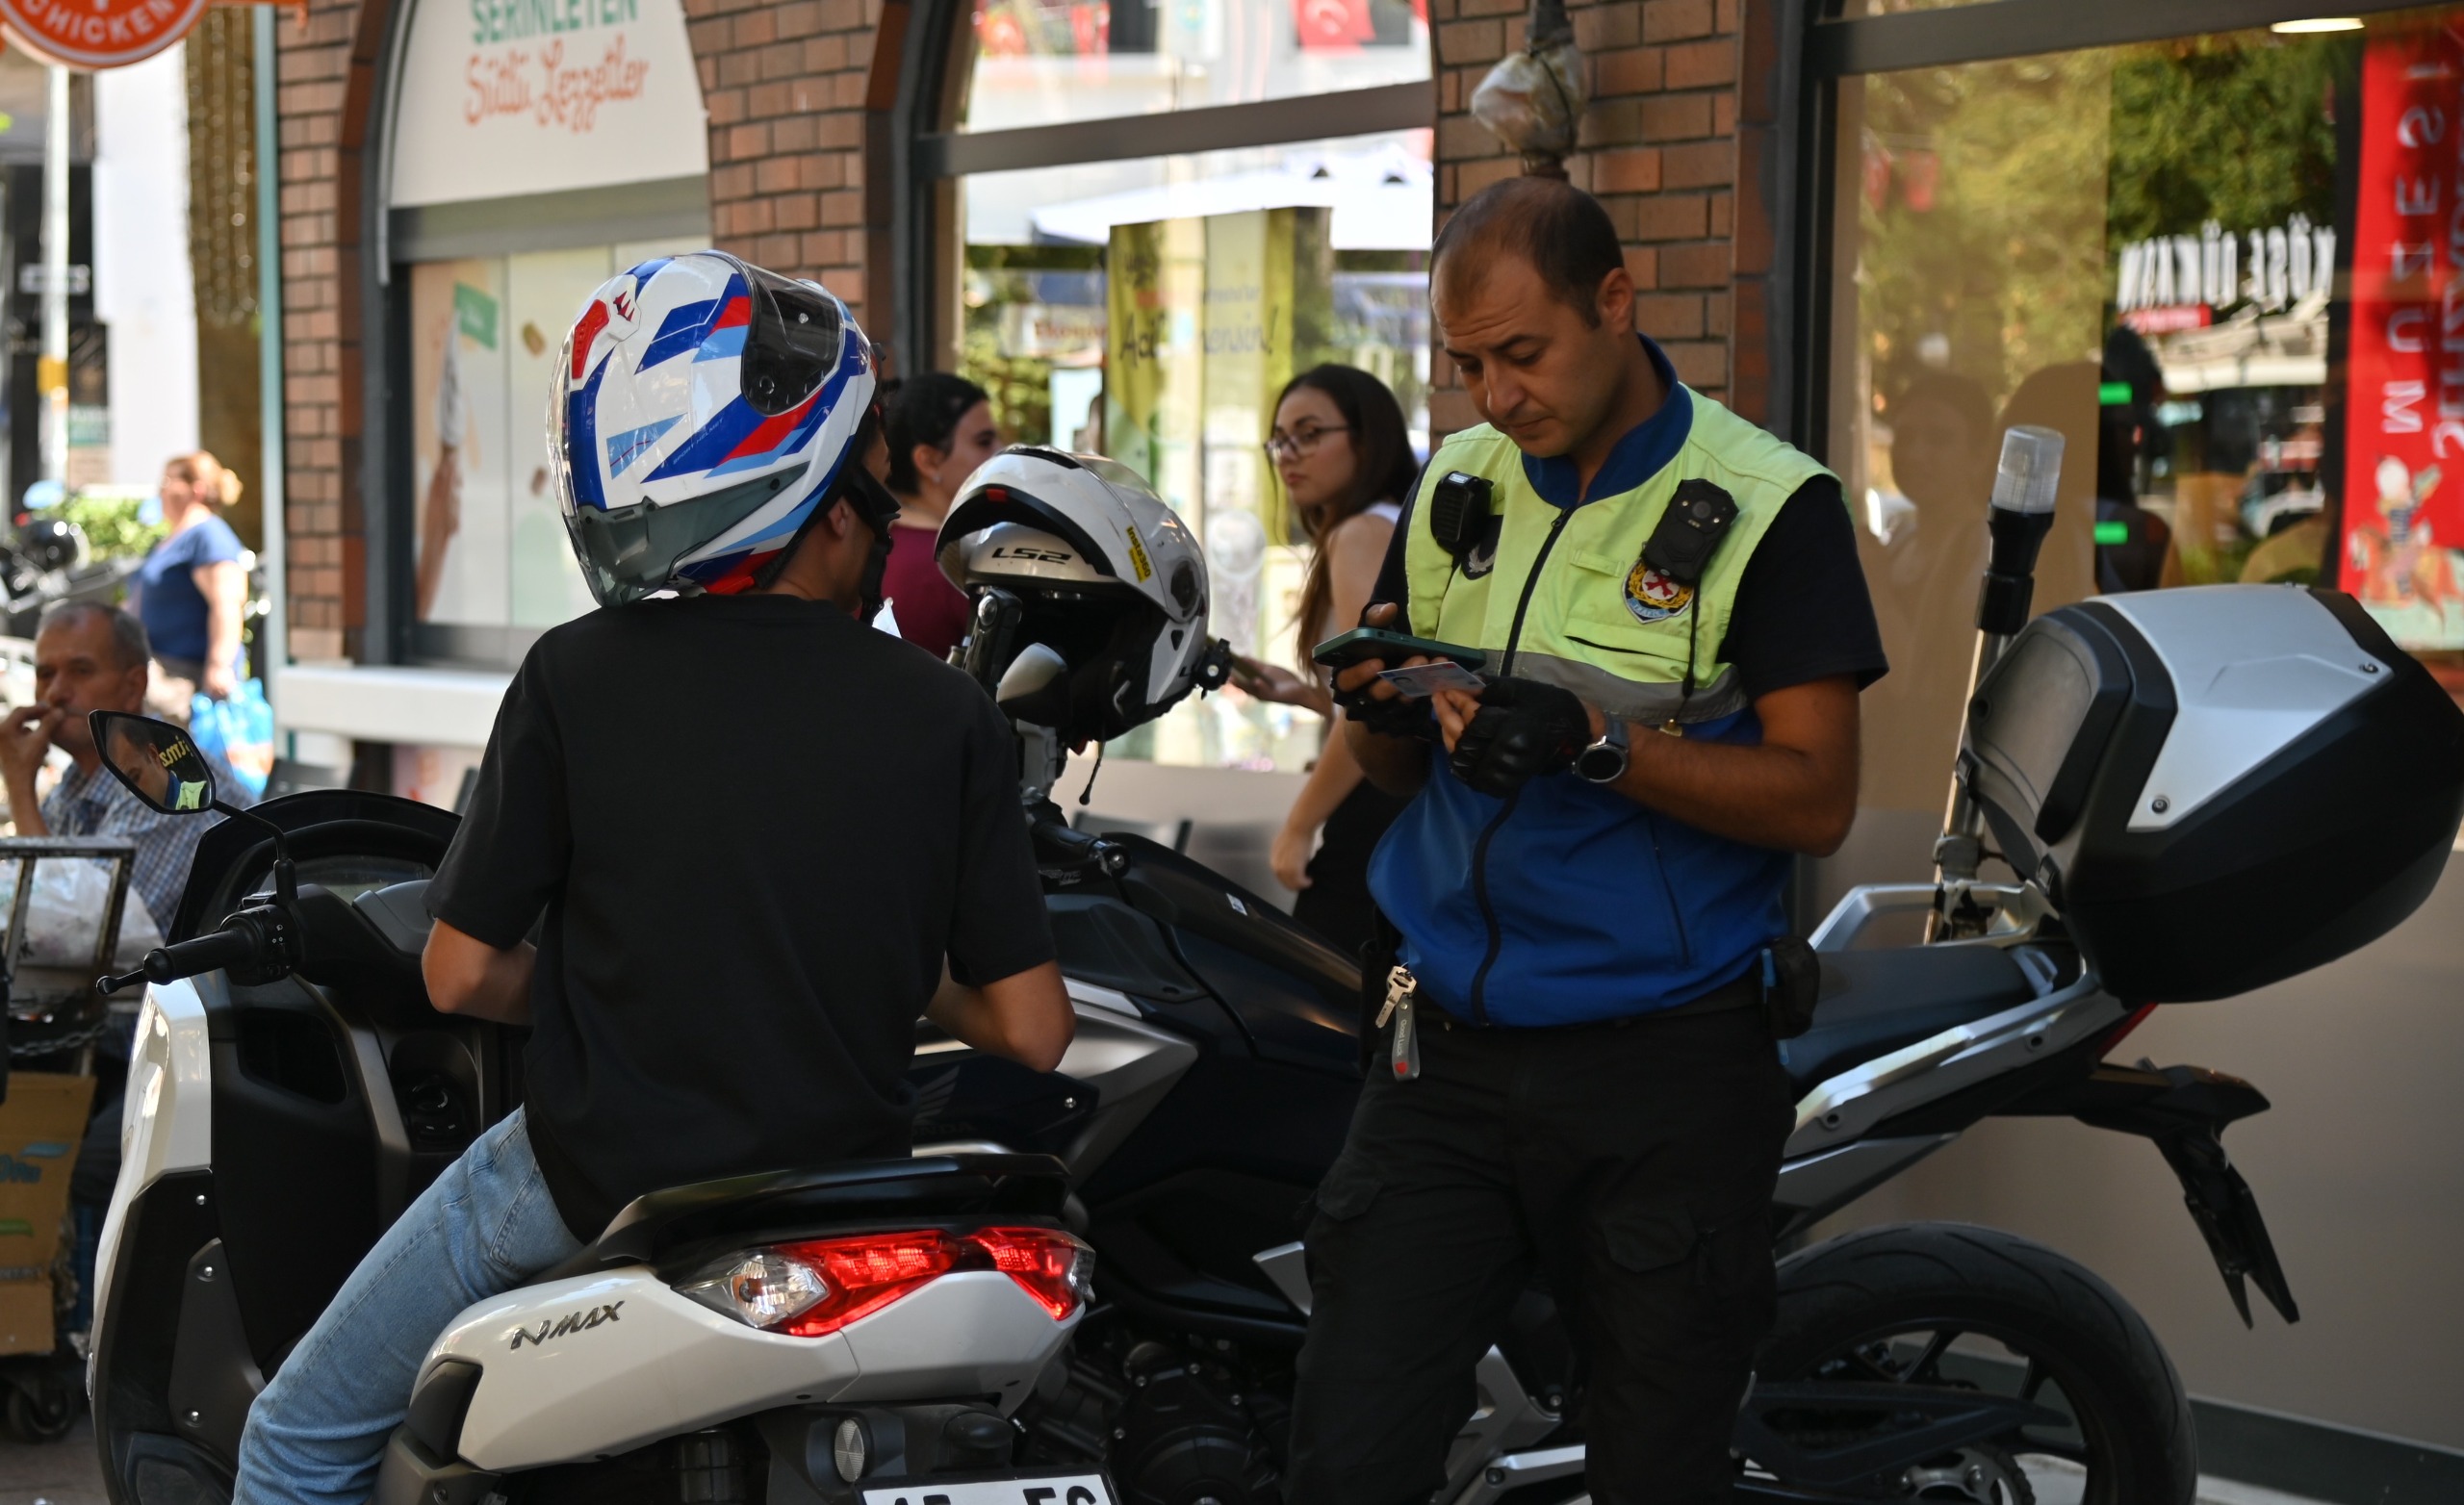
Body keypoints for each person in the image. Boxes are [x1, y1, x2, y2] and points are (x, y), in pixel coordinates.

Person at [233, 253, 1075, 1505]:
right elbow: (1034, 1026)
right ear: (826, 507)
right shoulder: (947, 712)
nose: (889, 525)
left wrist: (617, 982)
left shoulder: (576, 677)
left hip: (593, 1178)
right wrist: (880, 969)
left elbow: (457, 972)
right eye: (874, 489)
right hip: (845, 1200)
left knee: (296, 1441)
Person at [1287, 179, 1886, 1505]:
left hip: (1662, 1066)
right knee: (1345, 1457)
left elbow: (1817, 801)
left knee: (1654, 1470)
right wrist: (1378, 711)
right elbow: (1398, 766)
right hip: (1441, 1047)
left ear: (1615, 303)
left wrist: (1598, 744)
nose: (1495, 396)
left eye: (1522, 353)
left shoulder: (1768, 503)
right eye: (1466, 365)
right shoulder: (1457, 479)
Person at [1226, 365, 1416, 957]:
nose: (1289, 455)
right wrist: (1308, 695)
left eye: (1309, 435)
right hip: (1401, 801)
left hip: (1378, 808)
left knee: (1323, 985)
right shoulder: (1392, 525)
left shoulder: (1359, 533)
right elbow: (1389, 688)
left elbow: (1373, 702)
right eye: (1280, 440)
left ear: (1368, 437)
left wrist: (1300, 823)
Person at [0, 601, 244, 932]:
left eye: (80, 671)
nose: (55, 693)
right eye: (45, 675)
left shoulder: (163, 772)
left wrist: (18, 785)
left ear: (133, 687)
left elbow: (77, 934)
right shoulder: (76, 784)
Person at [882, 372, 1003, 659]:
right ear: (929, 460)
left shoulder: (877, 542)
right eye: (984, 441)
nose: (1001, 451)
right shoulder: (951, 562)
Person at [134, 451, 248, 721]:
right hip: (163, 672)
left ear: (196, 490)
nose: (160, 491)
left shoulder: (209, 535)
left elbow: (227, 603)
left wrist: (220, 665)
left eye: (168, 481)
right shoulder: (173, 538)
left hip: (188, 681)